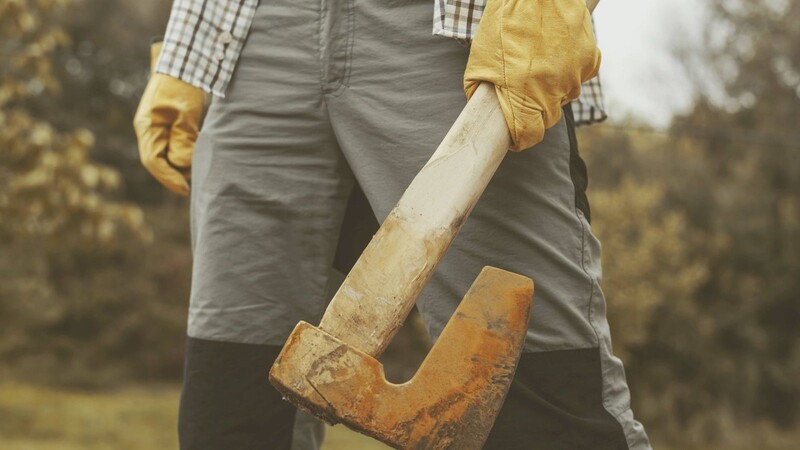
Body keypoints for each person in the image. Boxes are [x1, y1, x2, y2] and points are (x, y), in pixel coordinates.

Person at [133, 0, 652, 449]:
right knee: (228, 402)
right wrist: (185, 41)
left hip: (454, 29)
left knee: (537, 398)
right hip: (251, 38)